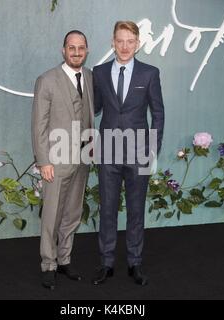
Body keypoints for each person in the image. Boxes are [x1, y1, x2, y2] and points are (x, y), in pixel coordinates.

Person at [92, 21, 165, 286]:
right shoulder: (98, 73)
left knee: (136, 211)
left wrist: (152, 149)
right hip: (108, 151)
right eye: (120, 41)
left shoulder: (149, 73)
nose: (124, 46)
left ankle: (135, 263)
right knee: (108, 210)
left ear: (137, 44)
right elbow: (96, 107)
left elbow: (158, 113)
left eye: (130, 41)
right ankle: (106, 264)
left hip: (138, 153)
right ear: (113, 42)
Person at [31, 30, 94, 290]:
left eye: (81, 48)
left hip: (82, 159)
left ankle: (65, 259)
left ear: (87, 50)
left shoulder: (90, 77)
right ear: (63, 50)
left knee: (72, 214)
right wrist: (43, 160)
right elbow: (38, 125)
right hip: (55, 162)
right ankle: (48, 264)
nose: (76, 52)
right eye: (71, 47)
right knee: (52, 215)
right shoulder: (47, 80)